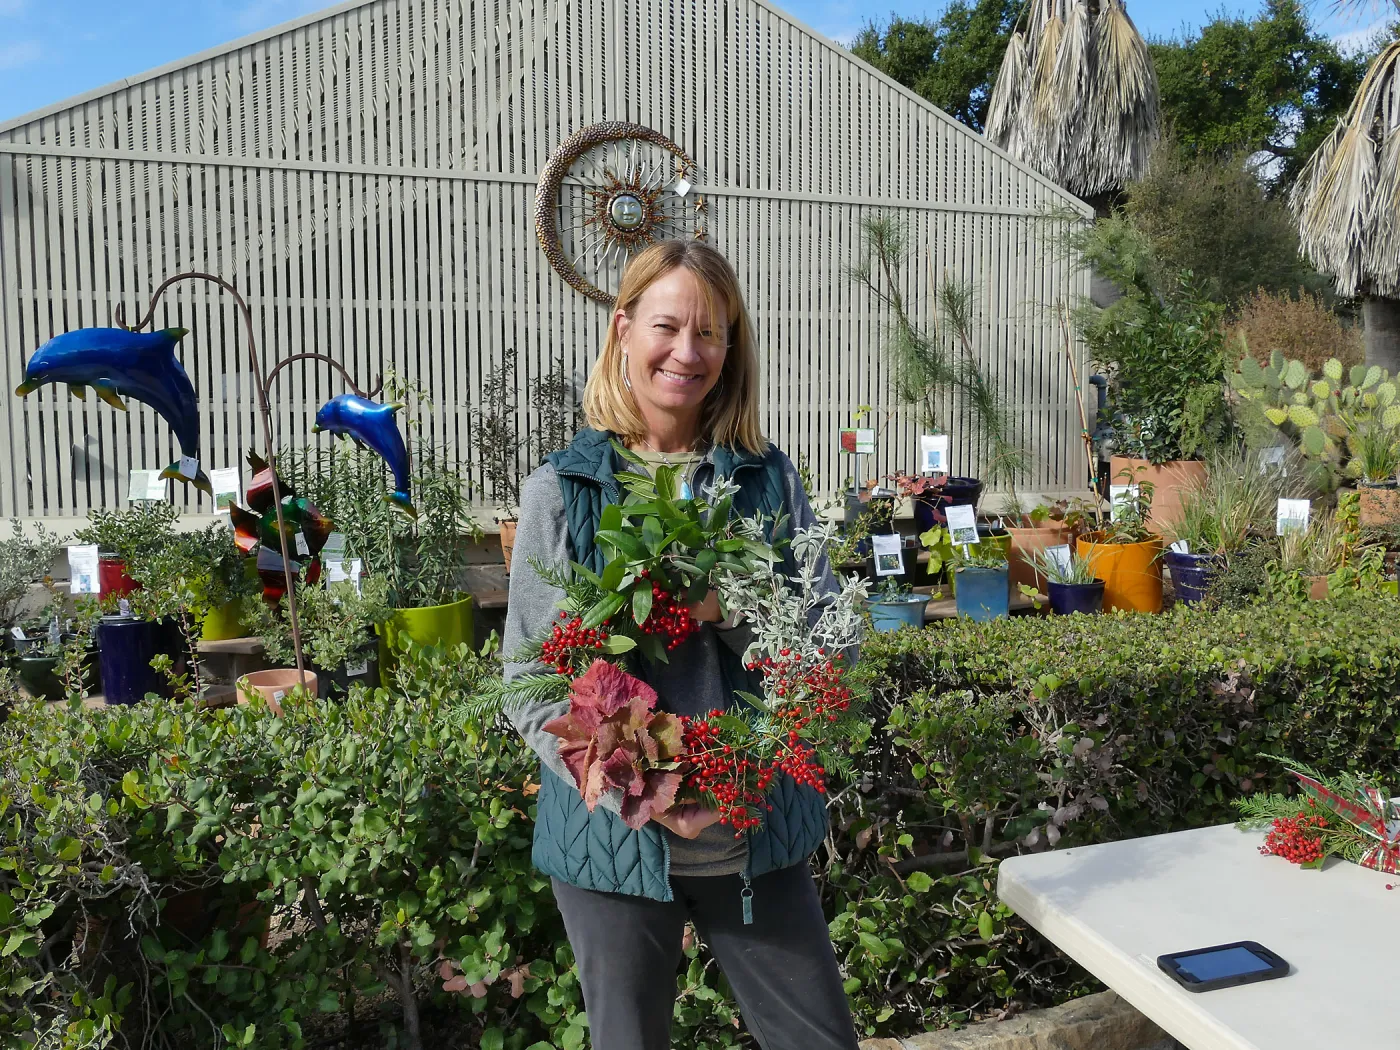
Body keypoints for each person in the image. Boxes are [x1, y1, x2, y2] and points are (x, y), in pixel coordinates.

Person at [502, 240, 860, 1050]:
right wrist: (645, 787)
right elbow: (530, 681)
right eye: (667, 326)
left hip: (754, 832)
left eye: (710, 333)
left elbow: (830, 646)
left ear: (732, 347)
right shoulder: (564, 489)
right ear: (623, 328)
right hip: (611, 848)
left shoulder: (769, 480)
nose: (687, 353)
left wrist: (725, 605)